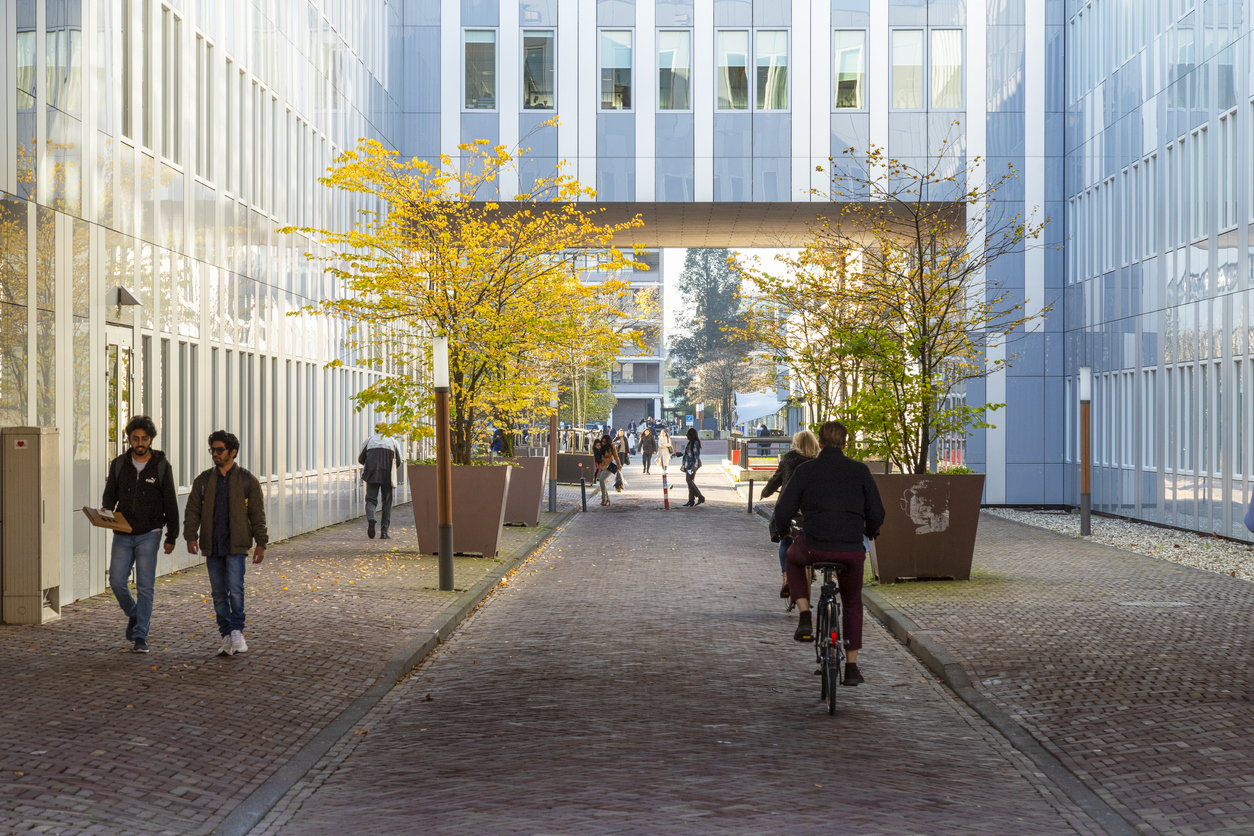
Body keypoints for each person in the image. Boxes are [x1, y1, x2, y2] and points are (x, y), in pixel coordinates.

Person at [771, 421, 885, 687]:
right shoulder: (860, 471)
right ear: (846, 444)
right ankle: (853, 667)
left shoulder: (806, 470)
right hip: (850, 550)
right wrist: (871, 529)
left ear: (820, 443)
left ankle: (804, 616)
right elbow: (876, 512)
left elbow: (784, 507)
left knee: (793, 558)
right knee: (853, 603)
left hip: (813, 545)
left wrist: (783, 529)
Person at [184, 431, 269, 657]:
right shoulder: (203, 480)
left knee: (235, 590)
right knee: (218, 593)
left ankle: (237, 632)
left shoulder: (246, 480)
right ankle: (226, 634)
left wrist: (261, 543)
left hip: (236, 545)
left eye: (219, 450)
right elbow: (192, 510)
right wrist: (190, 536)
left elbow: (257, 514)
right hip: (212, 545)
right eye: (212, 449)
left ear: (233, 452)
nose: (214, 454)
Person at [101, 415, 180, 653]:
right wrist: (105, 510)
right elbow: (109, 496)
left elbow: (171, 502)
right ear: (129, 439)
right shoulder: (118, 464)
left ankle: (141, 636)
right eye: (135, 438)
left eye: (144, 438)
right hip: (122, 531)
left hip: (150, 532)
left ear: (151, 439)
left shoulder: (162, 466)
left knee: (145, 585)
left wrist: (171, 536)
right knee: (116, 581)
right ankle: (135, 614)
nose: (140, 443)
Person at [761, 429, 821, 600]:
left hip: (791, 507)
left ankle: (786, 576)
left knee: (785, 538)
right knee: (812, 537)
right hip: (812, 509)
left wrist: (766, 492)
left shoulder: (788, 459)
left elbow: (776, 479)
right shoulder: (818, 461)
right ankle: (812, 569)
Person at [359, 422, 404, 539]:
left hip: (372, 474)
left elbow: (361, 458)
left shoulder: (369, 441)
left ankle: (371, 518)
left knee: (370, 499)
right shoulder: (393, 442)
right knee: (387, 502)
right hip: (388, 476)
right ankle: (384, 532)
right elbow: (399, 460)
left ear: (375, 430)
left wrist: (370, 465)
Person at [675, 427, 705, 506]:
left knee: (689, 480)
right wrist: (677, 454)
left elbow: (696, 455)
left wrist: (694, 466)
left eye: (687, 435)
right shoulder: (690, 443)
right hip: (688, 464)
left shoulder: (695, 443)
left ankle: (700, 496)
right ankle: (691, 499)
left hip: (692, 465)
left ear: (691, 435)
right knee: (689, 481)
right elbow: (686, 452)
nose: (686, 436)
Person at [595, 433, 622, 505]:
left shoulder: (612, 447)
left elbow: (616, 456)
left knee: (602, 479)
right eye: (602, 441)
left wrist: (619, 465)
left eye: (605, 442)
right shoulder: (601, 447)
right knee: (602, 481)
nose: (603, 443)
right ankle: (606, 498)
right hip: (601, 465)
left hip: (609, 465)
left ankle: (604, 498)